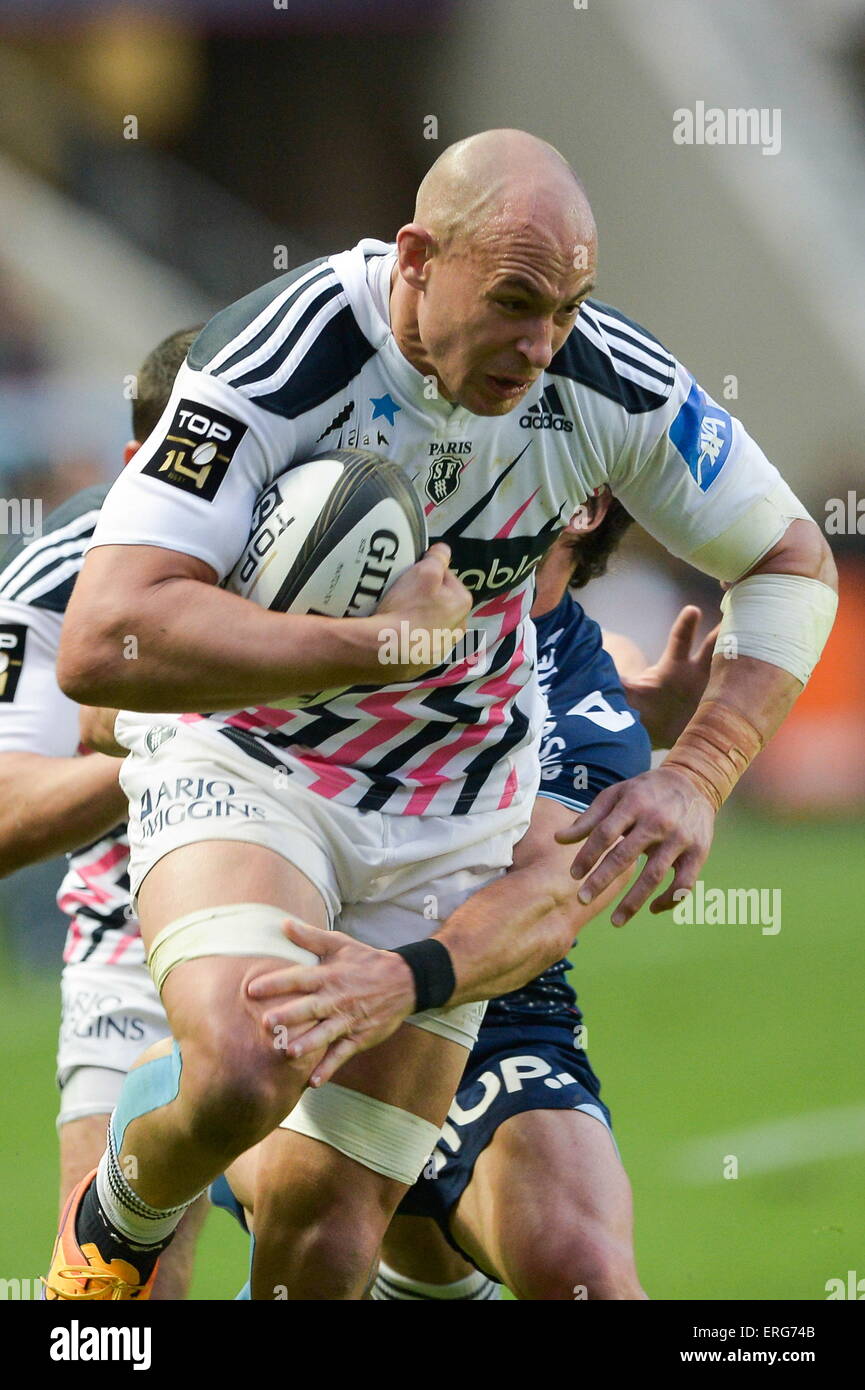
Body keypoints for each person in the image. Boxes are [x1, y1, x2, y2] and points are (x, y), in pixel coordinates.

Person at [47, 128, 836, 1301]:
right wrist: (373, 647)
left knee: (324, 1228)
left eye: (568, 306)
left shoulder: (602, 380)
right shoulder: (277, 356)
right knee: (241, 1071)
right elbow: (101, 636)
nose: (543, 343)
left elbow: (788, 558)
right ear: (418, 256)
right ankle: (116, 1221)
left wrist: (698, 770)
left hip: (452, 801)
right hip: (260, 763)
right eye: (516, 299)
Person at [215, 497, 715, 1301]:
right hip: (300, 984)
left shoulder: (589, 693)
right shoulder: (356, 582)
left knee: (588, 1277)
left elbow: (542, 903)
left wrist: (401, 980)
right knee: (267, 1185)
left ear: (579, 506)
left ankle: (417, 1275)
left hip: (492, 1009)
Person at [0, 328, 208, 1299]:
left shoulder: (347, 520)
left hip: (339, 916)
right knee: (113, 1298)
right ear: (140, 468)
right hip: (128, 927)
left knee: (336, 1247)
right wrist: (165, 744)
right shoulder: (59, 567)